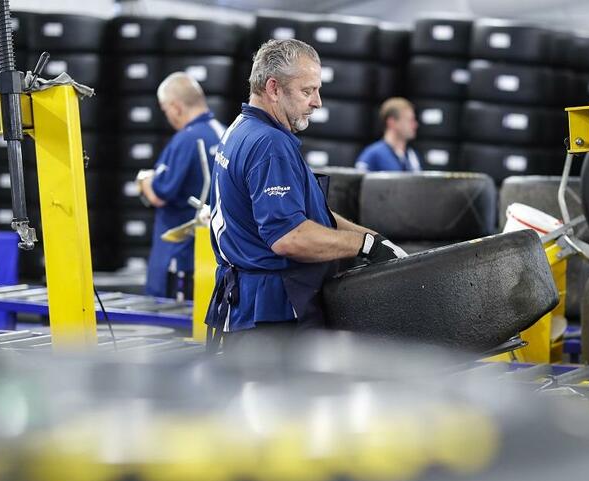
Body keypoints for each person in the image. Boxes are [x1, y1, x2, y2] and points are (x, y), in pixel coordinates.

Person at [205, 39, 407, 346]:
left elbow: (304, 213)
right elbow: (290, 237)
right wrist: (362, 246)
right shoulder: (270, 145)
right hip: (273, 318)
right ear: (273, 88)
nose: (318, 102)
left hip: (248, 309)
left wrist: (374, 239)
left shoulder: (239, 129)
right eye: (307, 91)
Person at [136, 72, 226, 299]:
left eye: (166, 110)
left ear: (176, 107)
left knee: (170, 327)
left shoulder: (186, 140)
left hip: (179, 257)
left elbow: (159, 194)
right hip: (217, 255)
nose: (168, 117)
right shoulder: (226, 133)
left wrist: (143, 180)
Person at [355, 97, 421, 172]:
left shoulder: (412, 156)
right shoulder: (373, 155)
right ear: (392, 122)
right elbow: (359, 182)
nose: (415, 125)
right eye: (410, 120)